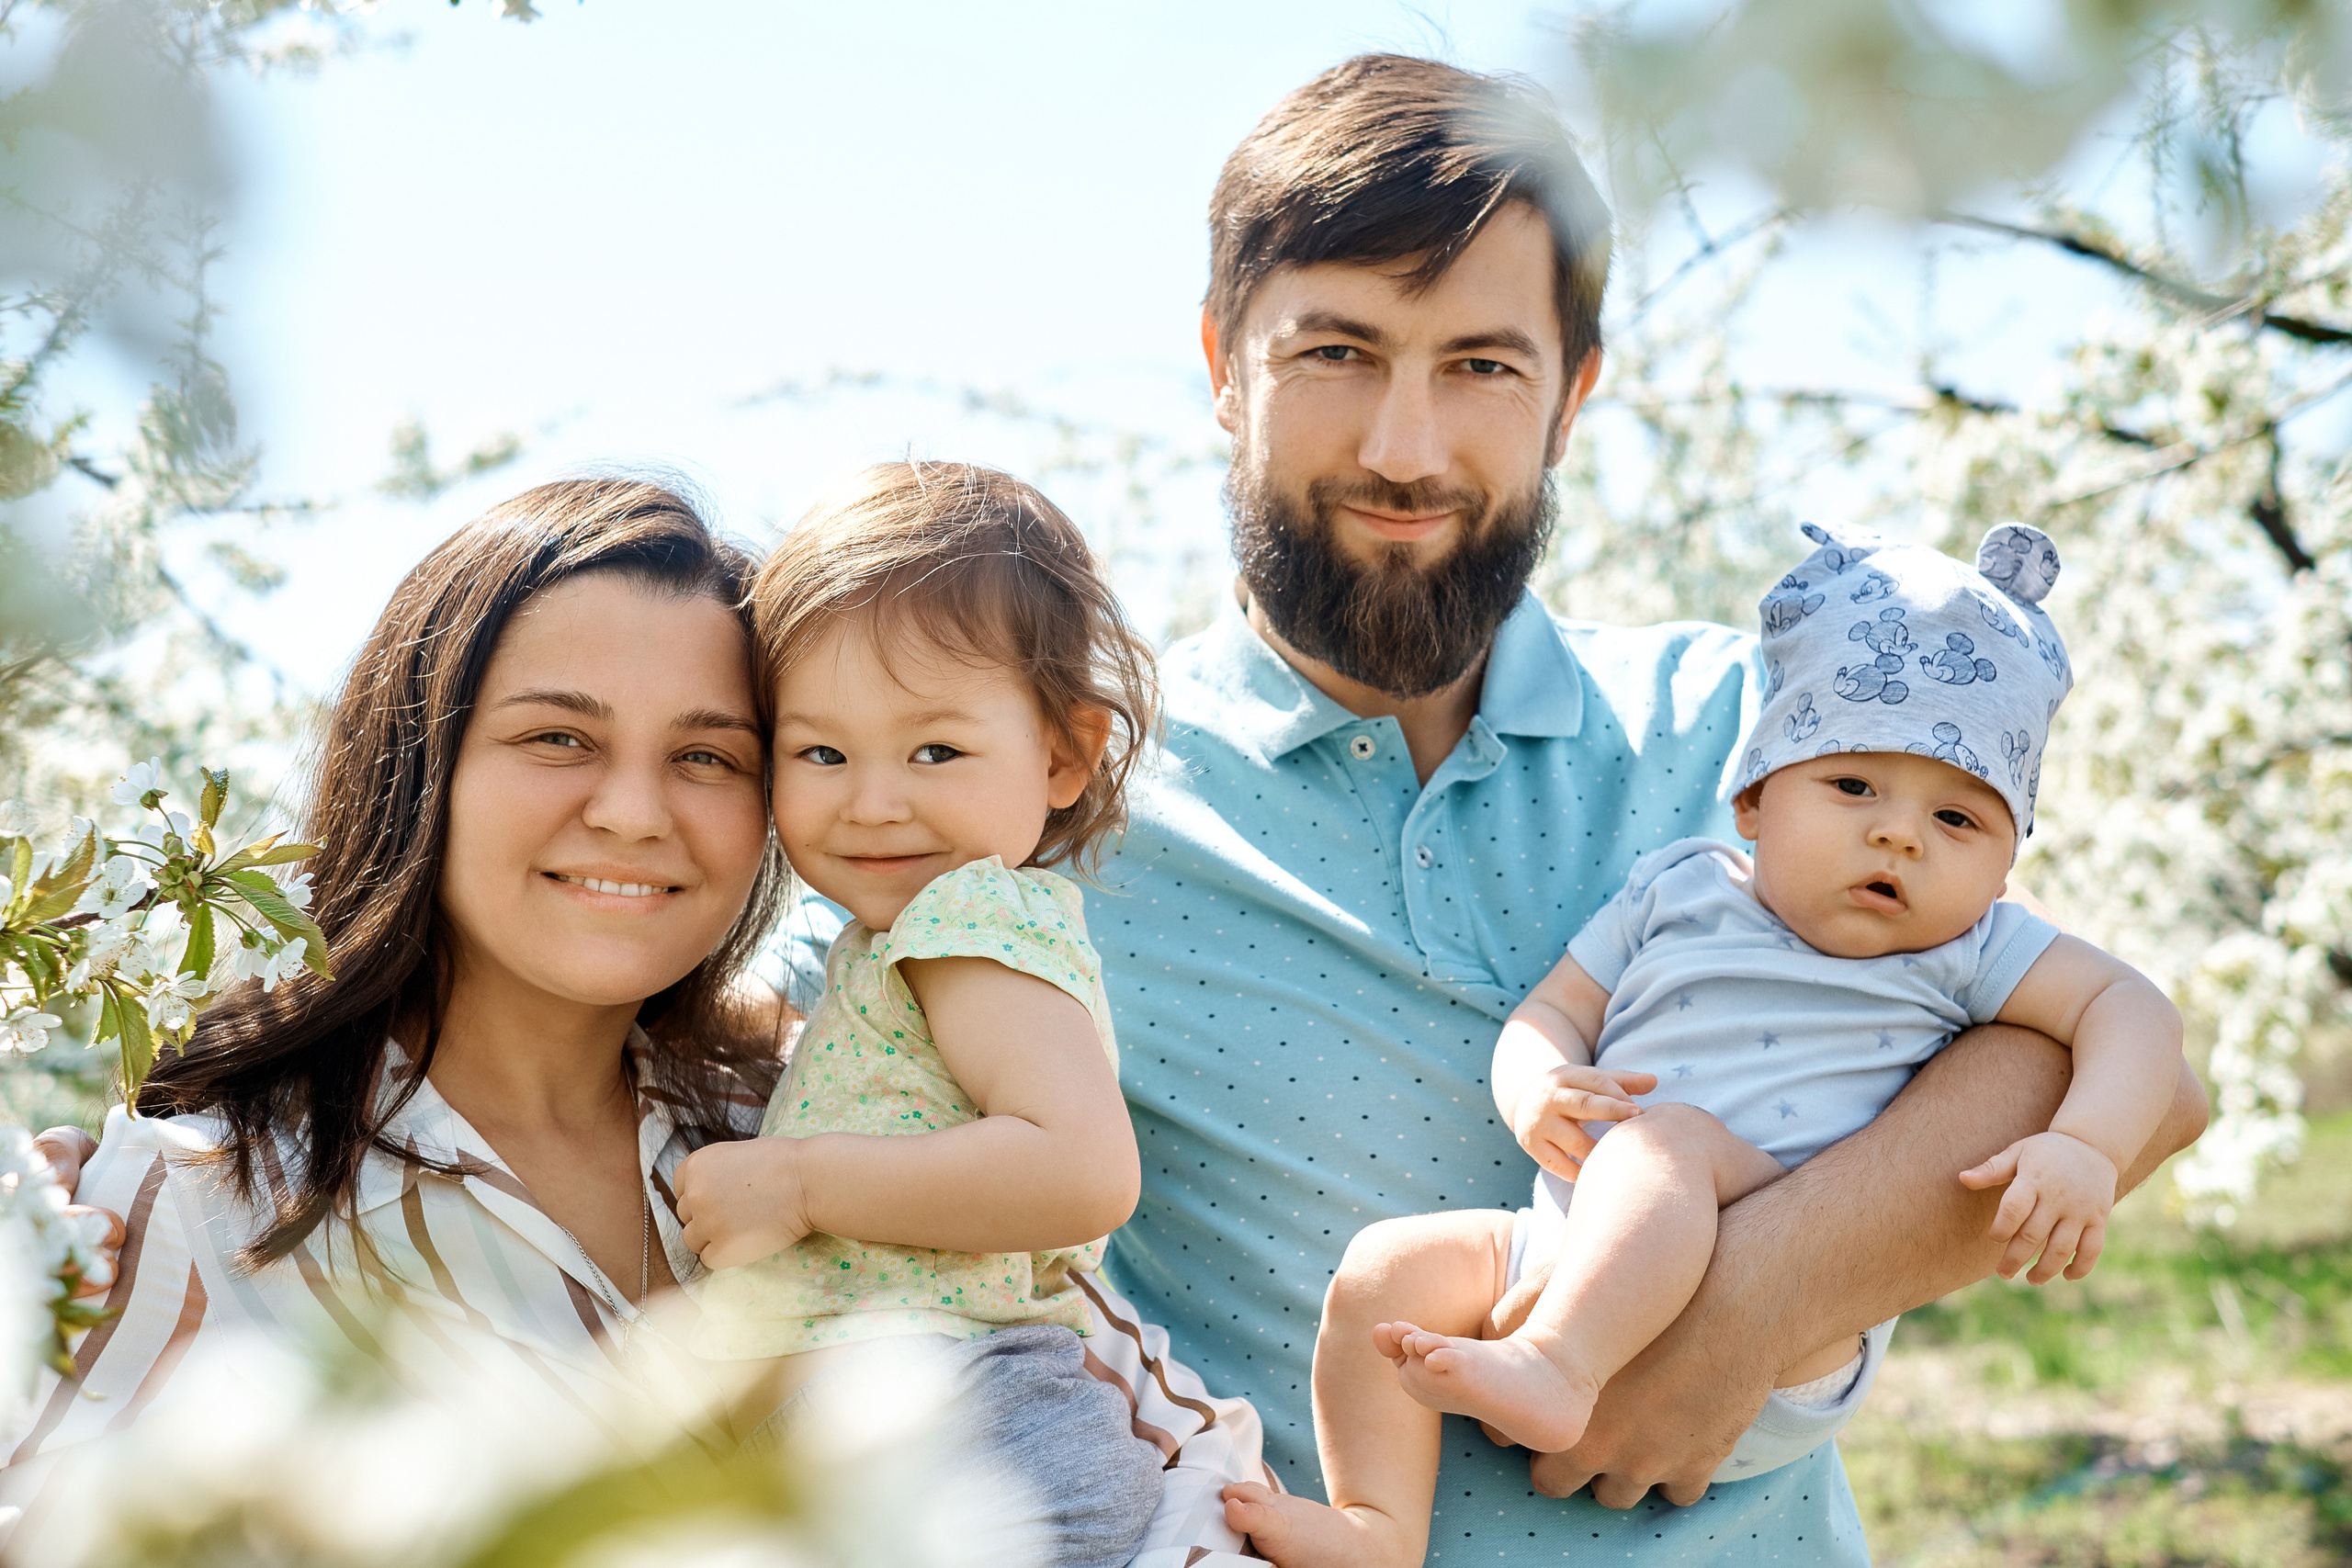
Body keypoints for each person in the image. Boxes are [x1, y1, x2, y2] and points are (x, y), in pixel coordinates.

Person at [752, 53, 2211, 1563]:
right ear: (1219, 366)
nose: (1405, 447)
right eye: (1336, 353)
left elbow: (2121, 1068)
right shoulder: (1044, 812)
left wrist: (1752, 1300)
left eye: (1481, 366)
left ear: (1572, 396)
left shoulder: (1759, 741)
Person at [8, 478, 1266, 1567]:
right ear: (421, 760)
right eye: (558, 736)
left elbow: (1186, 1470)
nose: (630, 810)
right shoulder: (206, 1195)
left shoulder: (815, 1102)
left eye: (709, 755)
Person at [1222, 520, 2186, 1566]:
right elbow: (1550, 1013)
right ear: (1755, 803)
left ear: (2003, 869)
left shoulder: (1972, 949)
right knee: (1381, 1271)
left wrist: (2084, 1142)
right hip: (1578, 1233)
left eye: (1959, 820)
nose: (1899, 833)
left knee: (1663, 1139)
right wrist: (1537, 1087)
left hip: (1783, 1304)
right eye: (1853, 787)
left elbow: (2132, 1013)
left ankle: (1555, 1363)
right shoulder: (1678, 889)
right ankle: (1376, 1526)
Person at [672, 462, 1168, 1568]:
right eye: (822, 753)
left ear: (1062, 756)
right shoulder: (902, 943)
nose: (874, 799)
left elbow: (1081, 1172)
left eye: (935, 750)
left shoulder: (973, 917)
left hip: (972, 1413)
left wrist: (799, 1181)